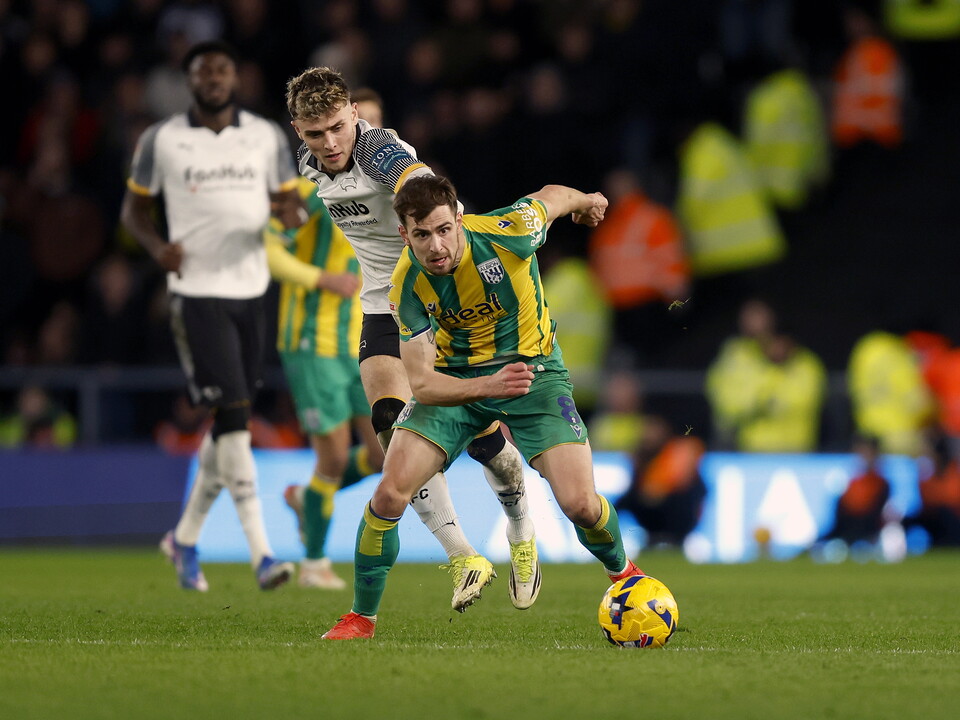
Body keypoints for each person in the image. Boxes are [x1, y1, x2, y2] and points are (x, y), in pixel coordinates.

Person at [322, 175, 644, 640]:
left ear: (458, 219)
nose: (435, 246)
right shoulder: (406, 285)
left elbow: (547, 198)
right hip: (459, 383)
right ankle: (361, 619)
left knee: (579, 504)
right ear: (403, 236)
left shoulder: (508, 233)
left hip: (535, 378)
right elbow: (424, 385)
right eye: (421, 235)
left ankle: (626, 576)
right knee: (390, 493)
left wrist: (588, 201)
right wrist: (488, 385)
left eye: (443, 230)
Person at [285, 67, 538, 612]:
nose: (328, 143)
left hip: (437, 300)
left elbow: (422, 188)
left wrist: (439, 228)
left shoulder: (379, 153)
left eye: (335, 127)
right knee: (388, 425)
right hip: (382, 305)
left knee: (484, 441)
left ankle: (521, 529)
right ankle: (464, 557)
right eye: (314, 133)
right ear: (299, 132)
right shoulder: (307, 167)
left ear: (353, 114)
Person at [120, 40, 301, 592]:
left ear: (236, 77)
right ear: (191, 80)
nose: (215, 79)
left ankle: (185, 538)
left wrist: (290, 214)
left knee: (228, 420)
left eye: (222, 69)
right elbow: (133, 210)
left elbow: (288, 203)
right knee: (237, 413)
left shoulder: (266, 136)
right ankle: (263, 554)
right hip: (196, 291)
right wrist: (156, 249)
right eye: (204, 71)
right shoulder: (163, 139)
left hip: (252, 289)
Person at [264, 176, 385, 588]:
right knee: (332, 457)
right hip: (311, 341)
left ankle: (306, 498)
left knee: (383, 454)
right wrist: (321, 278)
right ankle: (314, 565)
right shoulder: (303, 192)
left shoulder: (379, 188)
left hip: (360, 341)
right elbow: (270, 253)